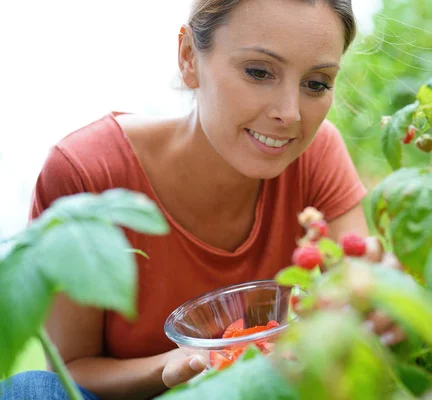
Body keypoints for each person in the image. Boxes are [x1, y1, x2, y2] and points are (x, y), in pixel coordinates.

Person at [1, 0, 399, 399]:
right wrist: (178, 366)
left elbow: (357, 296)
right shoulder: (88, 171)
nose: (290, 114)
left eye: (316, 83)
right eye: (259, 72)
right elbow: (70, 372)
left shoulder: (317, 155)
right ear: (189, 57)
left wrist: (384, 302)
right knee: (31, 389)